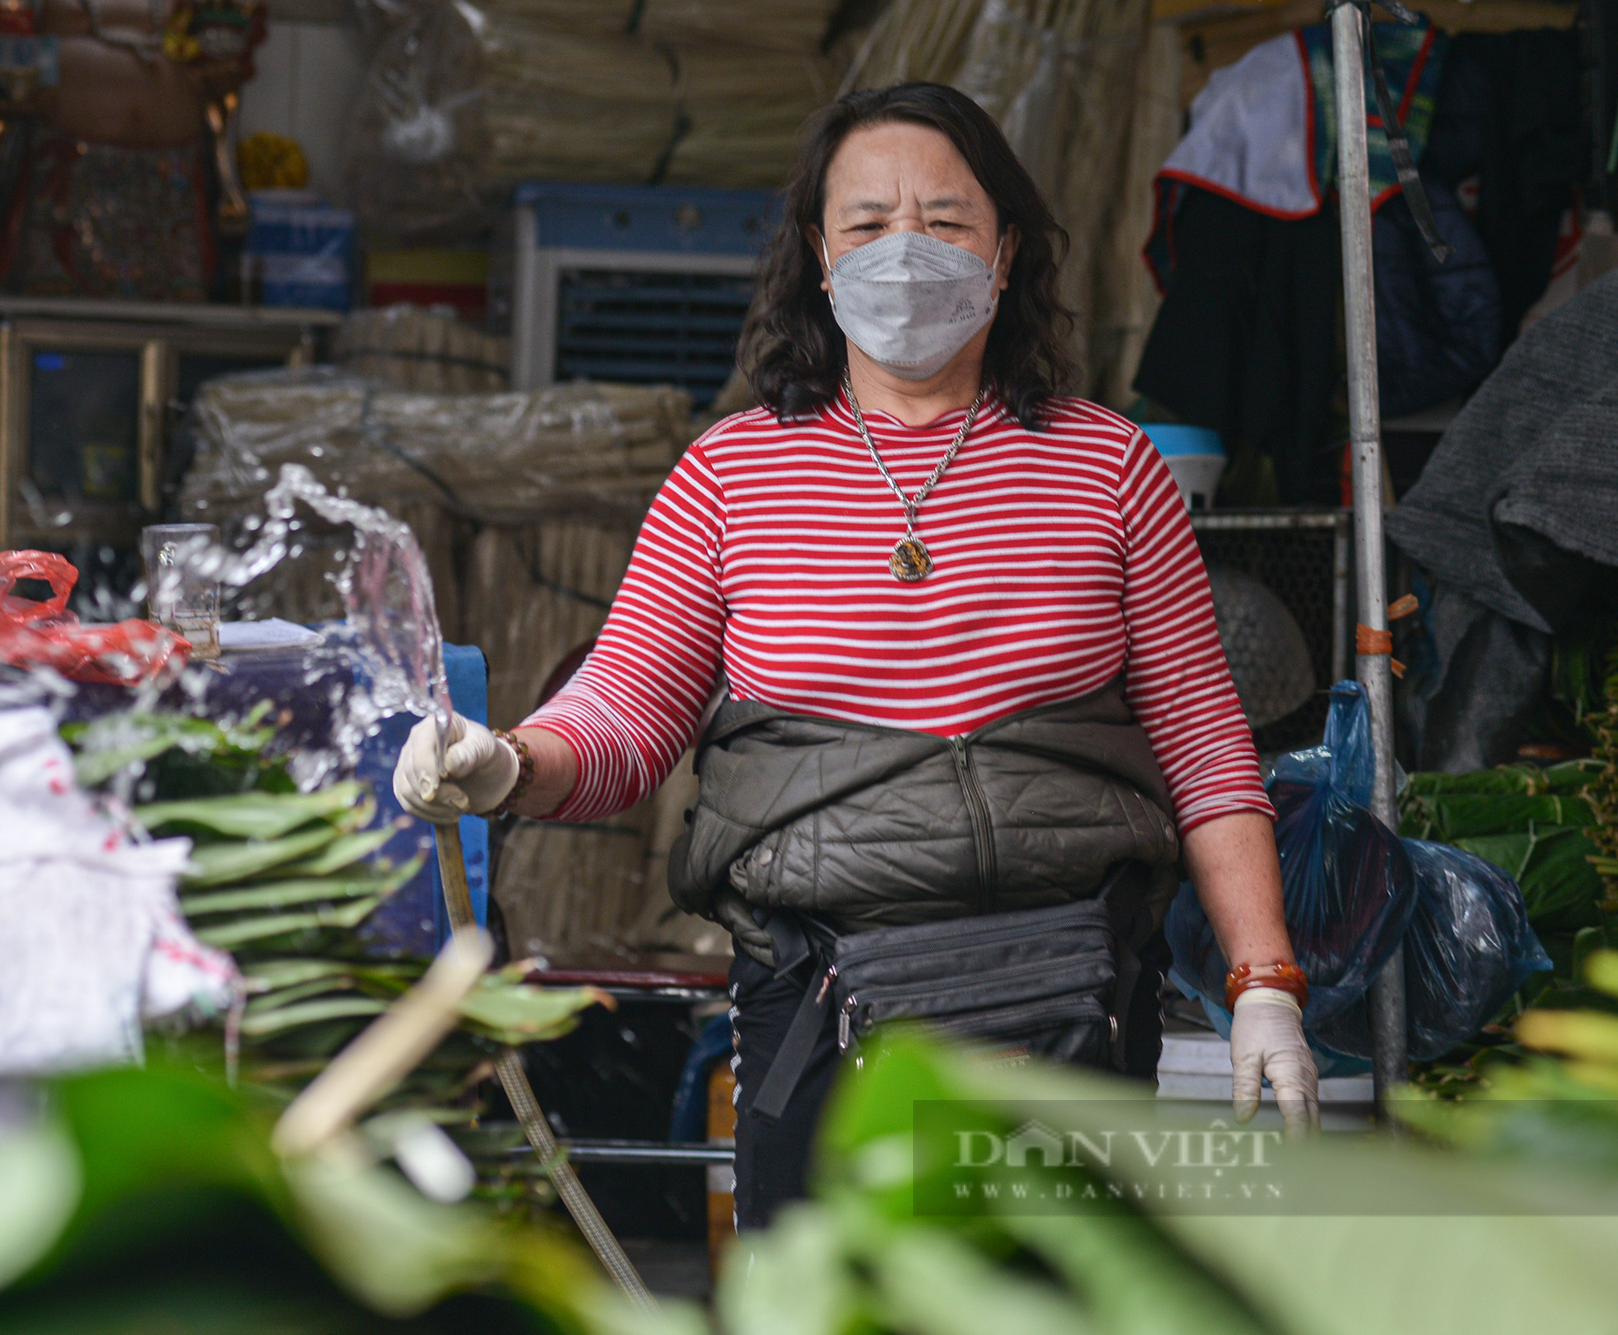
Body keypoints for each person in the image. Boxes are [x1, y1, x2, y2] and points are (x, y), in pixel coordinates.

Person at [394, 81, 1320, 1231]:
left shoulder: (1107, 470)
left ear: (1005, 250)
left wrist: (1262, 983)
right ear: (819, 263)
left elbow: (1203, 749)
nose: (906, 251)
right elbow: (626, 718)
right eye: (867, 225)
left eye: (944, 221)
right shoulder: (729, 475)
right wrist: (510, 765)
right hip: (817, 1010)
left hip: (1067, 1005)